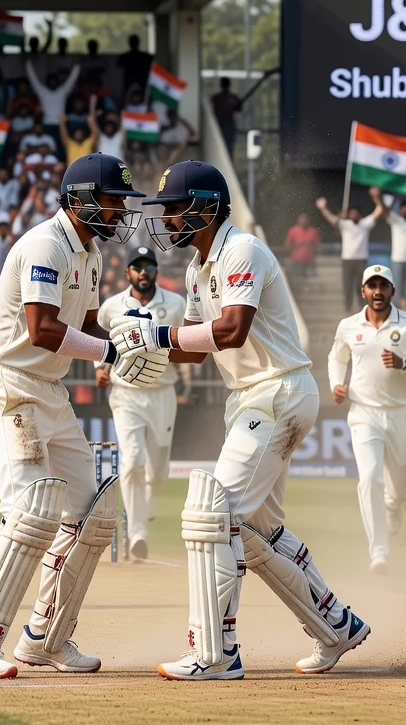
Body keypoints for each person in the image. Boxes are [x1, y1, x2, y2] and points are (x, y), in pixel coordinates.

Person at [118, 160, 369, 681]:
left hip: (276, 391)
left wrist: (158, 338)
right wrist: (129, 346)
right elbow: (192, 349)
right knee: (259, 531)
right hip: (254, 396)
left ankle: (215, 651)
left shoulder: (242, 250)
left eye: (173, 209)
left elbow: (230, 330)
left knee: (215, 515)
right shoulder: (196, 269)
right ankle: (336, 624)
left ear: (205, 208)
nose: (164, 220)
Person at [0, 153, 158, 679]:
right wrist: (111, 353)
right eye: (113, 200)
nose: (120, 211)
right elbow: (41, 328)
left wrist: (124, 344)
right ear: (81, 199)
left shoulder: (89, 253)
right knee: (29, 512)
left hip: (49, 388)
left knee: (93, 512)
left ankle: (45, 635)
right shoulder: (46, 243)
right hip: (7, 386)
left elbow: (84, 324)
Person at [328, 264, 406, 574]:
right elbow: (337, 357)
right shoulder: (349, 325)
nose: (377, 291)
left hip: (401, 412)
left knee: (397, 487)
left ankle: (395, 504)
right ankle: (379, 552)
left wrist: (405, 364)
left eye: (383, 285)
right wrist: (336, 384)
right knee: (369, 479)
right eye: (371, 286)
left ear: (392, 290)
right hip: (363, 413)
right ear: (363, 291)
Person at [95, 245, 186, 561]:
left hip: (162, 392)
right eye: (137, 267)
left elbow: (184, 344)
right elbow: (103, 339)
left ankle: (143, 511)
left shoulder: (176, 304)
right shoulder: (112, 306)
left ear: (156, 272)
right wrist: (100, 368)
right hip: (126, 393)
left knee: (157, 472)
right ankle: (137, 534)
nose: (143, 272)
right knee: (132, 461)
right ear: (127, 273)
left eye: (149, 266)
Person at [314, 196, 377, 311]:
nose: (354, 215)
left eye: (356, 213)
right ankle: (347, 306)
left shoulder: (364, 224)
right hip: (347, 259)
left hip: (361, 259)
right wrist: (324, 208)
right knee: (347, 284)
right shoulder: (345, 224)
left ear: (359, 215)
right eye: (352, 213)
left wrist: (377, 199)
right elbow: (332, 219)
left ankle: (361, 306)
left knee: (361, 284)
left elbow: (376, 214)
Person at [210, 77, 242, 155]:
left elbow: (238, 109)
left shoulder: (232, 98)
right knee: (221, 146)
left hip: (228, 125)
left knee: (228, 147)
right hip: (220, 125)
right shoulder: (216, 98)